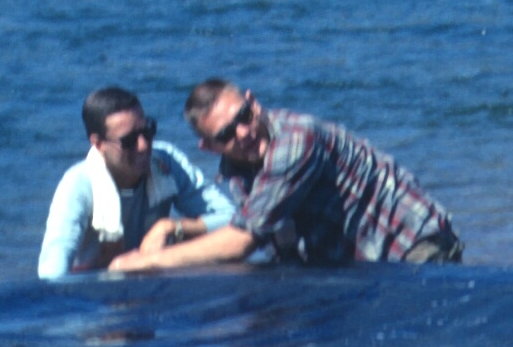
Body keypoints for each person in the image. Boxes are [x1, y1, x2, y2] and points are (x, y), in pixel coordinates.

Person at [109, 79, 463, 270]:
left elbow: (242, 240)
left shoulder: (296, 140)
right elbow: (270, 241)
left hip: (416, 247)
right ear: (210, 147)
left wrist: (151, 261)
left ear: (254, 103)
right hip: (363, 262)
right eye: (226, 135)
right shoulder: (236, 174)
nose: (244, 133)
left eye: (244, 117)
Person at [38, 85, 235, 279]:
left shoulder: (165, 162)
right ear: (98, 144)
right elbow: (51, 273)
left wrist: (173, 228)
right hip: (95, 296)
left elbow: (233, 218)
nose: (143, 146)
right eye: (129, 141)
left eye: (147, 131)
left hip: (149, 283)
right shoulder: (77, 185)